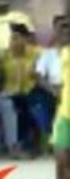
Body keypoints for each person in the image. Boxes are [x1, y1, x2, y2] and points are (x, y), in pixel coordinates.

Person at [0, 24, 43, 156]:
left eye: (17, 38)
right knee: (11, 105)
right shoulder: (6, 55)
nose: (13, 41)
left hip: (33, 90)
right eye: (12, 38)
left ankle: (33, 144)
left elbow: (40, 75)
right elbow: (0, 76)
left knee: (31, 106)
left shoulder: (37, 53)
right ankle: (13, 145)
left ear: (26, 39)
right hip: (10, 92)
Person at [35, 17, 69, 154]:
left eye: (68, 27)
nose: (66, 31)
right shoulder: (48, 54)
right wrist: (52, 90)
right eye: (62, 28)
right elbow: (39, 77)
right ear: (56, 32)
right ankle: (51, 138)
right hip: (51, 90)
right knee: (37, 105)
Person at [51, 26, 70, 179]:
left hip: (65, 116)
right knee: (62, 171)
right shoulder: (63, 54)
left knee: (64, 172)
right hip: (65, 116)